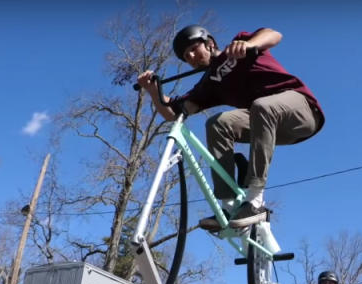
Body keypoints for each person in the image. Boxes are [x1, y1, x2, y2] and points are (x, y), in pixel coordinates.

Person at [136, 24, 324, 230]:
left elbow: (274, 35)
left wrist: (249, 44)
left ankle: (255, 201)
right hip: (268, 125)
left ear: (210, 44)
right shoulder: (209, 85)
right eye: (186, 57)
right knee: (217, 123)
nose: (191, 58)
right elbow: (173, 114)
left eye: (193, 50)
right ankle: (229, 206)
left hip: (302, 112)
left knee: (261, 106)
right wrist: (153, 92)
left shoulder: (238, 46)